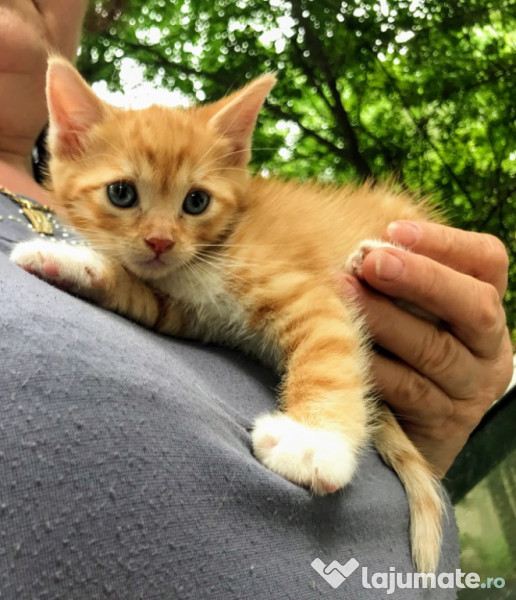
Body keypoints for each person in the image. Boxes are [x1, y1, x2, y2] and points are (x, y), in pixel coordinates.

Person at [0, 1, 512, 598]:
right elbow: (188, 317)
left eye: (195, 203)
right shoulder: (152, 257)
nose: (162, 235)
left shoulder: (225, 252)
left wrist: (408, 417)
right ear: (73, 140)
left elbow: (288, 313)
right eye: (123, 194)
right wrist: (113, 285)